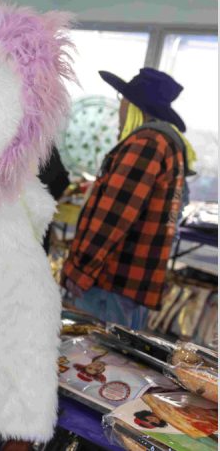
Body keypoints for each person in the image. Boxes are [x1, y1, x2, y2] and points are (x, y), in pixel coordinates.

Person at [62, 68, 194, 329]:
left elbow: (112, 218)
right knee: (113, 362)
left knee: (90, 360)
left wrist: (78, 270)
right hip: (125, 285)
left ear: (133, 106)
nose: (119, 107)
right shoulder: (166, 144)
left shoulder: (147, 143)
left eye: (122, 99)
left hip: (108, 284)